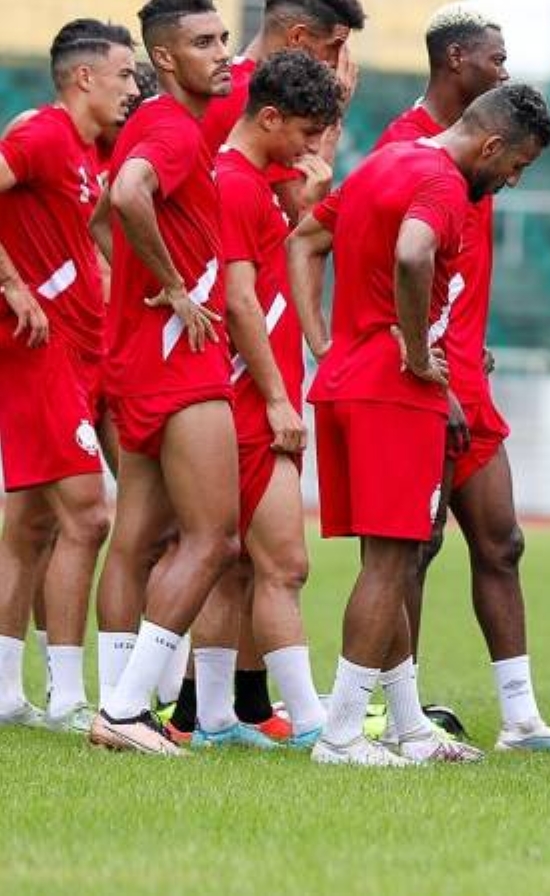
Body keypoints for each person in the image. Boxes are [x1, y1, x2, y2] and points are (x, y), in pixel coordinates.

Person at [291, 82, 550, 766]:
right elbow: (414, 253)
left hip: (349, 381)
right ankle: (341, 734)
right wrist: (414, 351)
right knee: (389, 564)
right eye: (517, 165)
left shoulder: (384, 161)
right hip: (395, 391)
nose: (513, 179)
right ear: (491, 145)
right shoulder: (441, 181)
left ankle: (409, 728)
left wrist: (323, 343)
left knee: (397, 558)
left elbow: (304, 239)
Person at [365, 4, 550, 753]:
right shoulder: (407, 147)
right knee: (411, 545)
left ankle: (521, 719)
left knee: (502, 540)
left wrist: (467, 343)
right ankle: (397, 712)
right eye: (496, 57)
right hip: (422, 379)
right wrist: (425, 362)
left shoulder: (491, 152)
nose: (504, 69)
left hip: (468, 373)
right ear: (457, 58)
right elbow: (388, 264)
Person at [88, 0, 241, 755]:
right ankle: (123, 710)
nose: (222, 53)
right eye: (205, 43)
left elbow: (99, 219)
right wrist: (175, 289)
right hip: (180, 361)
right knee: (215, 537)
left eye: (224, 39)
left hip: (138, 360)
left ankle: (119, 705)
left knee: (138, 536)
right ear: (164, 57)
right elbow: (124, 196)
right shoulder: (174, 131)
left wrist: (139, 292)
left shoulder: (152, 123)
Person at [183, 50, 345, 750]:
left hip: (255, 392)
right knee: (285, 563)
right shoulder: (234, 183)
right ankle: (314, 723)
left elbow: (275, 281)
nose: (310, 149)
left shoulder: (253, 183)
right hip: (249, 397)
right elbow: (240, 299)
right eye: (307, 133)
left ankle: (215, 719)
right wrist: (278, 398)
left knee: (241, 566)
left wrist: (305, 207)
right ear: (271, 117)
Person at [0, 22, 137, 731]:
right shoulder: (42, 135)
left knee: (31, 523)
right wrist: (11, 285)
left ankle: (4, 692)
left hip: (85, 350)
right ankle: (65, 697)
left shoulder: (87, 153)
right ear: (85, 77)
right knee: (89, 515)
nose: (132, 88)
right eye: (124, 75)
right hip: (39, 350)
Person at [198, 0, 365, 220]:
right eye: (334, 47)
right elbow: (302, 214)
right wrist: (333, 112)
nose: (336, 62)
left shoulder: (237, 81)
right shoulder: (254, 97)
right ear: (297, 37)